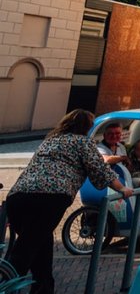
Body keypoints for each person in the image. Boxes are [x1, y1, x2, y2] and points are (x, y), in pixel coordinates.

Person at [7, 110, 132, 294]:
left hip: (17, 196)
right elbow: (100, 170)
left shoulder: (50, 140)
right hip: (50, 197)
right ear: (86, 127)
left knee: (41, 244)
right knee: (25, 250)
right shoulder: (83, 142)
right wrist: (122, 189)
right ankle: (7, 285)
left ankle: (44, 288)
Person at [96, 123, 140, 222]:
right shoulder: (100, 147)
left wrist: (128, 165)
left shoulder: (120, 146)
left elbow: (126, 165)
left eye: (117, 133)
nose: (114, 136)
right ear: (104, 135)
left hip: (125, 177)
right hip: (111, 181)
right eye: (110, 134)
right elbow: (106, 159)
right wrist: (122, 158)